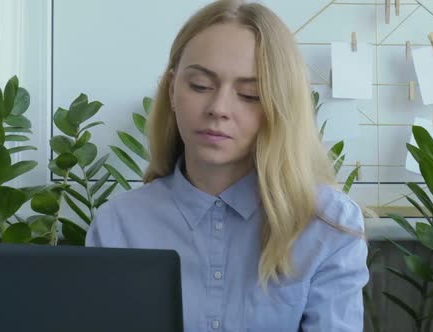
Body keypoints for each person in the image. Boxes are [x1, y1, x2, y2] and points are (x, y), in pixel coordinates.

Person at [86, 0, 369, 331]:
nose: (218, 108)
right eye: (201, 86)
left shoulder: (329, 225)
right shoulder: (119, 224)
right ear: (172, 89)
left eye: (249, 94)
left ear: (280, 105)